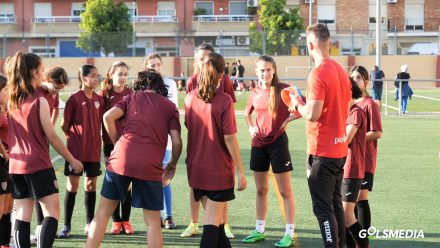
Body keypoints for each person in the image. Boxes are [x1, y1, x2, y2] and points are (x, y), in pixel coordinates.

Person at [85, 70, 182, 248]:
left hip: (121, 159)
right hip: (150, 164)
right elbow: (176, 142)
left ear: (139, 84)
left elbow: (108, 117)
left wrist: (118, 144)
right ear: (160, 86)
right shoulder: (169, 106)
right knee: (153, 221)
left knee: (102, 213)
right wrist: (172, 164)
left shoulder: (131, 98)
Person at [5, 52, 83, 248]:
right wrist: (73, 160)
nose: (43, 74)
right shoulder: (39, 101)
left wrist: (44, 86)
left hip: (16, 165)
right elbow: (52, 136)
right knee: (52, 213)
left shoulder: (11, 100)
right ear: (33, 72)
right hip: (38, 163)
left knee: (22, 214)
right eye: (41, 70)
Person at [290, 23, 352, 248]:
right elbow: (346, 108)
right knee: (335, 204)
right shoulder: (340, 71)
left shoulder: (318, 73)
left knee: (323, 208)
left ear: (310, 44)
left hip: (321, 152)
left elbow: (313, 114)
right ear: (329, 43)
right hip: (339, 149)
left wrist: (297, 104)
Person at [184, 52, 247, 248]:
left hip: (195, 167)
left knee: (218, 225)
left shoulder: (188, 98)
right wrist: (240, 170)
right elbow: (229, 137)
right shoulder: (224, 100)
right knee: (212, 222)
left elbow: (189, 126)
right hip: (217, 169)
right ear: (223, 74)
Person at [242, 55, 299, 248]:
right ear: (257, 72)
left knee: (285, 191)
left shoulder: (284, 90)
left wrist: (286, 121)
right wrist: (250, 127)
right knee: (261, 189)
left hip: (278, 144)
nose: (265, 73)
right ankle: (259, 230)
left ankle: (289, 233)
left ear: (274, 70)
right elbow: (247, 113)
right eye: (262, 70)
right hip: (258, 144)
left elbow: (304, 106)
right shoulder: (255, 91)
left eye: (268, 69)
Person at [59, 64, 104, 238]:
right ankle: (66, 225)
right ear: (83, 78)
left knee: (91, 185)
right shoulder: (74, 99)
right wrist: (73, 138)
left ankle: (89, 223)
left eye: (97, 76)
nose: (96, 79)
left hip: (93, 151)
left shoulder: (99, 99)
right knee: (73, 186)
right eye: (93, 76)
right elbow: (64, 124)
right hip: (75, 152)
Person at [33, 66, 70, 241]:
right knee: (37, 188)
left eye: (60, 89)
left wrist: (52, 123)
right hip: (33, 144)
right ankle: (41, 225)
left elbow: (55, 108)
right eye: (56, 86)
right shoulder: (39, 89)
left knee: (44, 188)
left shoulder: (53, 94)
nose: (57, 91)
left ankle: (44, 225)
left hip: (44, 143)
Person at [143, 53, 178, 229]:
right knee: (149, 179)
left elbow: (172, 112)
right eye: (151, 65)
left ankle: (168, 216)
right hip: (147, 141)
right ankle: (154, 215)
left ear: (161, 66)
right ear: (146, 68)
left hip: (166, 141)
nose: (154, 68)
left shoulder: (170, 84)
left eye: (157, 64)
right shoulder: (142, 86)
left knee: (164, 179)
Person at [99, 61, 134, 235]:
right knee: (113, 183)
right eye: (119, 74)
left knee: (127, 185)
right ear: (111, 74)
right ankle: (115, 221)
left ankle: (126, 220)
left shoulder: (131, 94)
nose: (123, 78)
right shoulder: (104, 95)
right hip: (110, 146)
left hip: (128, 146)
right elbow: (100, 121)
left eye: (125, 74)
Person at [350, 65, 382, 240]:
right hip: (349, 160)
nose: (355, 81)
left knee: (361, 199)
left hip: (365, 160)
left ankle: (363, 240)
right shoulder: (349, 103)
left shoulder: (369, 104)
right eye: (352, 77)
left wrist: (356, 138)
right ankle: (354, 239)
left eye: (359, 78)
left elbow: (377, 132)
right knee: (349, 202)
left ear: (366, 81)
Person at [343, 78, 369, 248]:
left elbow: (345, 140)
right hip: (343, 169)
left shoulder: (356, 112)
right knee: (343, 215)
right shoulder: (347, 112)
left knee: (347, 215)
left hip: (352, 169)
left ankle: (365, 245)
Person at [0, 75, 12, 248]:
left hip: (8, 163)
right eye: (5, 89)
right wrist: (5, 153)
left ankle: (5, 243)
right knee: (1, 208)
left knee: (8, 208)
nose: (8, 92)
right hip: (2, 161)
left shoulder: (4, 109)